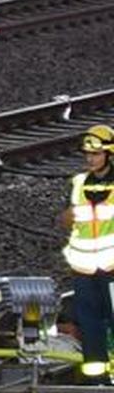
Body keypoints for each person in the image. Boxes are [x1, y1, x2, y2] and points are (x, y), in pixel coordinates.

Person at [64, 123, 114, 377]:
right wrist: (69, 217)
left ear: (109, 154)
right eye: (88, 154)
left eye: (95, 154)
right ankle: (97, 377)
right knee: (89, 322)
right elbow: (66, 218)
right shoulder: (78, 183)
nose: (90, 159)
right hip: (83, 268)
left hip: (112, 267)